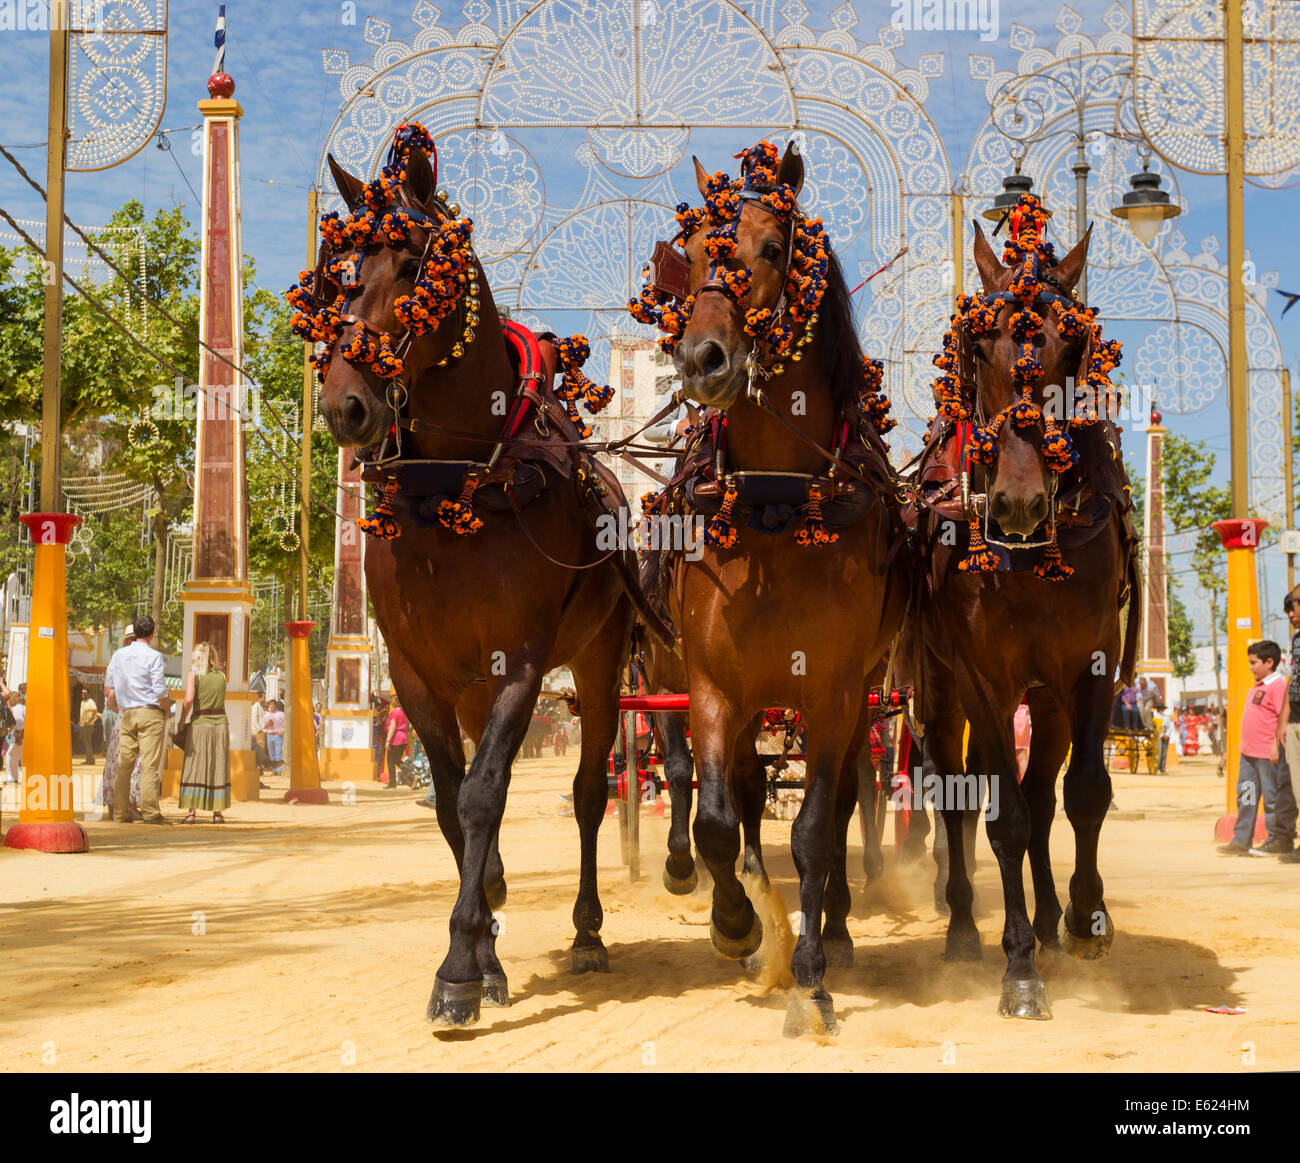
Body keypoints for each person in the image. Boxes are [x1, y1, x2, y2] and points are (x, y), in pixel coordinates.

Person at [1219, 640, 1297, 856]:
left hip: (1268, 755)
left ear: (1269, 662)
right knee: (1246, 796)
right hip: (1248, 754)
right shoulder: (1257, 686)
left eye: (1254, 663)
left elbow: (1283, 718)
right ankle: (1241, 841)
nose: (1250, 667)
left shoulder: (1278, 686)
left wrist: (1275, 746)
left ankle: (1275, 840)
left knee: (1272, 799)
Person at [104, 615, 171, 825]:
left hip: (127, 713)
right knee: (149, 765)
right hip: (150, 712)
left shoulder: (118, 655)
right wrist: (167, 708)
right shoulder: (154, 656)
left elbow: (110, 687)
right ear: (152, 634)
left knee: (124, 764)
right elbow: (159, 688)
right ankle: (151, 812)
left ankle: (121, 812)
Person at [178, 642, 231, 824]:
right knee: (218, 766)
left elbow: (189, 699)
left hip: (200, 723)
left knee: (195, 766)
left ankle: (191, 812)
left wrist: (181, 720)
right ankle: (217, 813)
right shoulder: (222, 676)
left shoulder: (193, 674)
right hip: (221, 724)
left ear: (197, 657)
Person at [385, 694, 410, 787]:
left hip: (396, 737)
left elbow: (393, 726)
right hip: (404, 737)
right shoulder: (405, 711)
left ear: (395, 702)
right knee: (396, 759)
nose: (391, 702)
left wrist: (388, 740)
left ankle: (392, 782)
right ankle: (409, 773)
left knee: (390, 760)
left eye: (392, 700)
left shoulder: (395, 712)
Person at [4, 690, 23, 785]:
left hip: (18, 737)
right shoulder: (23, 707)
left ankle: (11, 778)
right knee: (15, 757)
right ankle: (14, 778)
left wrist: (18, 736)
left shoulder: (17, 709)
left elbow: (19, 722)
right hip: (21, 736)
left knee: (10, 756)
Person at [78, 688, 101, 765]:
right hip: (82, 725)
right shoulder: (82, 702)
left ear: (88, 694)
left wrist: (89, 722)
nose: (83, 694)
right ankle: (89, 758)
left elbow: (95, 712)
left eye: (84, 693)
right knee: (85, 743)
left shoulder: (91, 702)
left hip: (87, 726)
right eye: (82, 693)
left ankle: (90, 760)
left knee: (88, 743)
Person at [250, 693, 269, 780]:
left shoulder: (260, 706)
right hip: (258, 732)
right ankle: (259, 769)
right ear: (260, 697)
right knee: (260, 751)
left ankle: (260, 769)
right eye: (264, 697)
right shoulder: (256, 706)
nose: (265, 699)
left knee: (261, 750)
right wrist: (259, 730)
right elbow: (254, 719)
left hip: (261, 730)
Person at [264, 699, 285, 774]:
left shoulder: (281, 714)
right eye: (270, 704)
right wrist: (266, 725)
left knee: (278, 752)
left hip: (277, 735)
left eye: (273, 704)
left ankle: (279, 770)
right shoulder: (266, 715)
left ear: (276, 706)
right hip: (269, 735)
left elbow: (285, 724)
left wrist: (282, 731)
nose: (271, 706)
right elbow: (263, 725)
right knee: (271, 753)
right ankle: (274, 770)